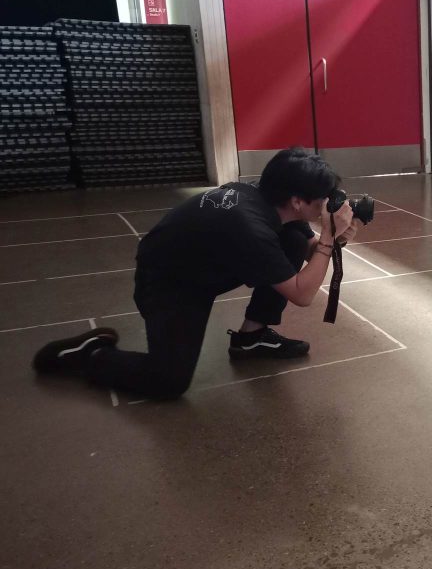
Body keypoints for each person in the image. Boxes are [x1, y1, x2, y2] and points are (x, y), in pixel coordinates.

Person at [32, 147, 358, 399]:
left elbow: (309, 248)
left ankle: (251, 340)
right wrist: (329, 237)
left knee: (293, 239)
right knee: (168, 381)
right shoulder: (251, 228)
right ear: (298, 201)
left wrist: (336, 237)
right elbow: (302, 294)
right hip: (169, 284)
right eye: (322, 201)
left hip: (202, 265)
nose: (327, 205)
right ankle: (92, 356)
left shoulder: (269, 200)